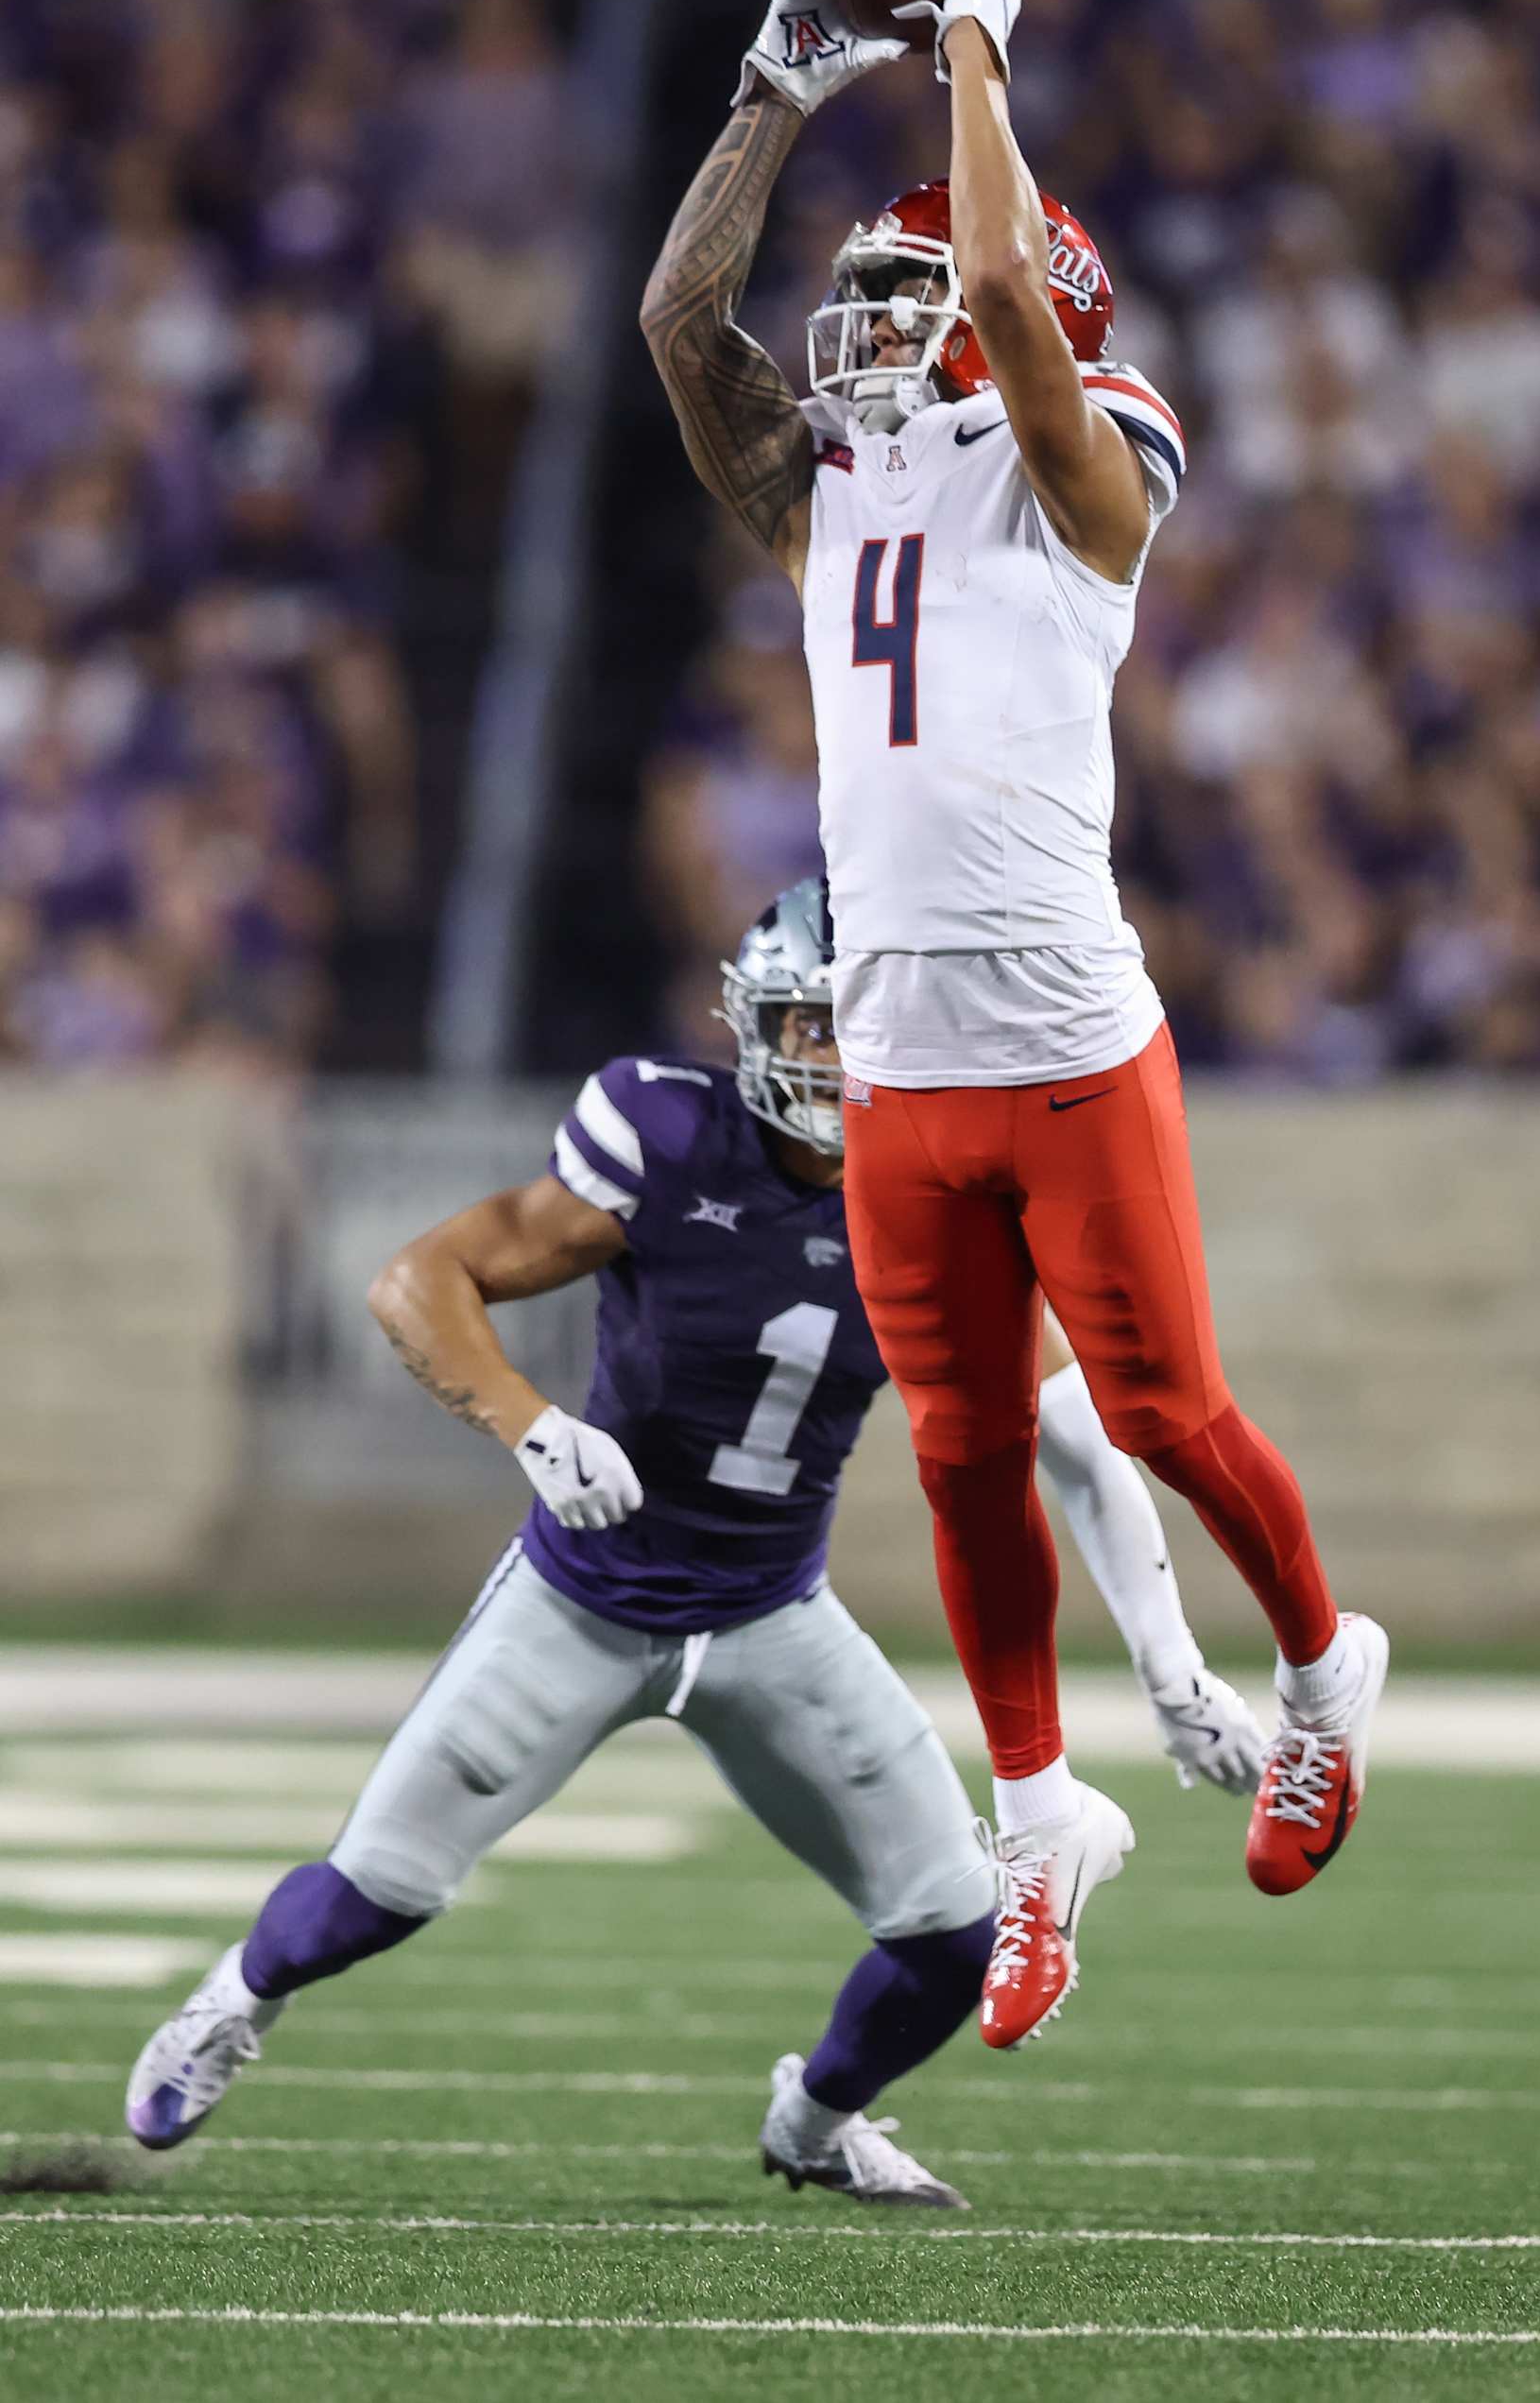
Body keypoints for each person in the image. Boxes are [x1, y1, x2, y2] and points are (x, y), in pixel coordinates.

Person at [640, 0, 1389, 2050]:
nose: (863, 326)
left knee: (1160, 1414)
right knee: (965, 1451)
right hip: (898, 1045)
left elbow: (989, 285)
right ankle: (1046, 1815)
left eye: (900, 297)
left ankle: (1324, 1670)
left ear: (1023, 322)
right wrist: (773, 88)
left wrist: (974, 38)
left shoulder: (1086, 464)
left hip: (1064, 1032)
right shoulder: (835, 488)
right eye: (863, 297)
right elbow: (680, 316)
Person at [125, 879, 1262, 2188]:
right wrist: (531, 1427)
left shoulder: (951, 1199)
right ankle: (238, 1997)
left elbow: (1082, 1448)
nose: (832, 1056)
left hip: (773, 1611)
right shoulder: (664, 1131)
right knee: (372, 1894)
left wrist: (1173, 1673)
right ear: (753, 1025)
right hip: (581, 1599)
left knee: (962, 1938)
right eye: (809, 1024)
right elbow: (419, 1278)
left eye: (858, 1023)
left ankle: (815, 2123)